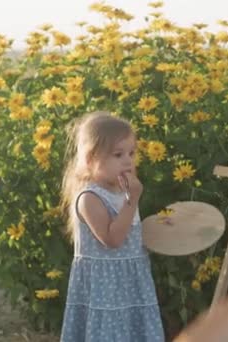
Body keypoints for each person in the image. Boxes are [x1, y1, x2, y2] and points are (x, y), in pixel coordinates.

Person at [59, 111, 164, 341]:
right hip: (104, 290)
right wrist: (132, 200)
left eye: (131, 153)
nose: (128, 161)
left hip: (131, 283)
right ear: (90, 159)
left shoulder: (122, 192)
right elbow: (113, 240)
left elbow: (129, 233)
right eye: (118, 154)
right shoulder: (89, 198)